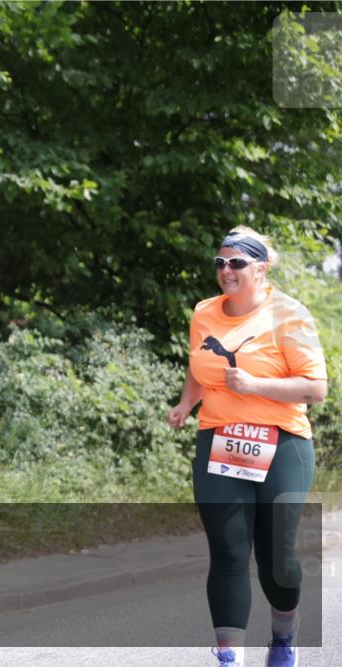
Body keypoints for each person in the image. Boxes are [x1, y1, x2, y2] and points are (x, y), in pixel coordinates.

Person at [167, 227, 328, 667]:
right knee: (228, 549)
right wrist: (186, 402)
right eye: (220, 262)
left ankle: (282, 638)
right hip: (220, 440)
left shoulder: (289, 315)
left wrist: (257, 384)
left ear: (261, 267)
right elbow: (200, 365)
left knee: (276, 557)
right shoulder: (204, 313)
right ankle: (228, 657)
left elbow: (316, 389)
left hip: (283, 443)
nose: (225, 270)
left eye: (236, 262)